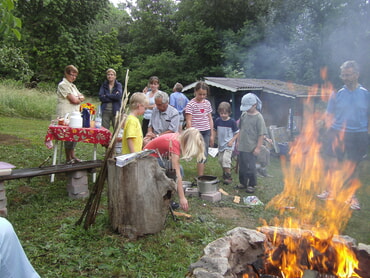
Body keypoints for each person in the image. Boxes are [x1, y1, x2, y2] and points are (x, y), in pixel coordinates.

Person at [318, 60, 370, 210]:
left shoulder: (366, 94)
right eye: (343, 75)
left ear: (356, 75)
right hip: (338, 132)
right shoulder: (337, 94)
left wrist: (367, 133)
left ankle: (350, 196)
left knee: (352, 166)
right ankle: (330, 191)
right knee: (332, 163)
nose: (345, 78)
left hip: (358, 134)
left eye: (348, 75)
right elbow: (329, 114)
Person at [144, 128, 205, 211]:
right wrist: (182, 198)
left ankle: (169, 194)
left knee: (178, 170)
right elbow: (177, 174)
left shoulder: (178, 138)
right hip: (147, 159)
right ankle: (166, 197)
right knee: (177, 172)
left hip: (158, 157)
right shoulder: (175, 143)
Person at [237, 93, 267, 193]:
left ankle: (251, 184)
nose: (246, 109)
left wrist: (258, 148)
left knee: (251, 167)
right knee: (242, 167)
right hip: (242, 146)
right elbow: (241, 129)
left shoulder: (259, 117)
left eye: (248, 107)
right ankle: (243, 183)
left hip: (252, 148)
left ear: (254, 105)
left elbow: (261, 134)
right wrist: (238, 141)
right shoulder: (244, 115)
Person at [56, 65, 85, 163]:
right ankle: (68, 157)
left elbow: (81, 97)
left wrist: (79, 98)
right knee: (68, 136)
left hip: (75, 114)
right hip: (66, 114)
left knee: (75, 135)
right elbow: (74, 100)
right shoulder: (63, 85)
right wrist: (78, 98)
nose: (73, 77)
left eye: (75, 76)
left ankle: (73, 155)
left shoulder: (73, 86)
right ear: (66, 73)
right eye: (72, 75)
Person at [185, 81, 214, 176]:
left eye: (204, 94)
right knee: (201, 153)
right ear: (195, 92)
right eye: (200, 94)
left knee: (204, 153)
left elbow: (210, 118)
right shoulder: (190, 104)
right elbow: (189, 121)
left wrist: (212, 134)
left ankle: (201, 174)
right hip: (197, 132)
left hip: (206, 131)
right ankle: (200, 177)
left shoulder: (207, 103)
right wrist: (191, 134)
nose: (202, 96)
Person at [214, 102, 239, 184]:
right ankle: (225, 173)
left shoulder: (232, 122)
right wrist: (213, 138)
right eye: (221, 113)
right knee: (221, 160)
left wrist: (232, 141)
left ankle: (228, 177)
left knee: (226, 159)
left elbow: (237, 133)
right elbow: (215, 130)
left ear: (229, 113)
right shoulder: (217, 121)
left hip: (229, 144)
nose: (223, 115)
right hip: (221, 144)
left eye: (225, 113)